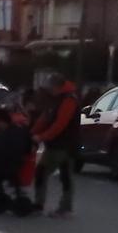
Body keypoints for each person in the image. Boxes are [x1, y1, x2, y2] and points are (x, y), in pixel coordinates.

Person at [31, 69, 81, 217]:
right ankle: (65, 207)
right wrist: (33, 132)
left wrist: (41, 137)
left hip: (63, 144)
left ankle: (40, 204)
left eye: (50, 87)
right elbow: (45, 118)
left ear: (57, 86)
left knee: (42, 171)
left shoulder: (68, 100)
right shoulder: (58, 99)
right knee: (65, 175)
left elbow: (60, 124)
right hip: (63, 144)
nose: (49, 90)